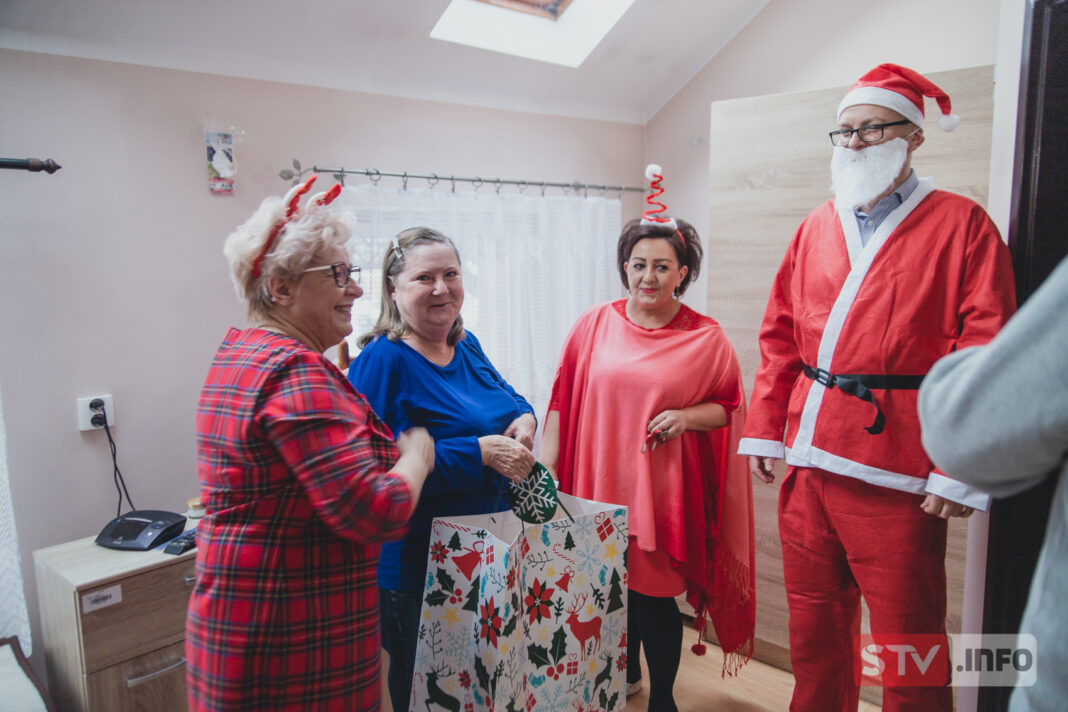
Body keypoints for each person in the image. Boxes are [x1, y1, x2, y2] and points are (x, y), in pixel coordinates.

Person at [739, 64, 1017, 711]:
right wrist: (764, 428)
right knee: (814, 631)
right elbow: (779, 334)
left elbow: (985, 351)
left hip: (899, 475)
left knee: (907, 644)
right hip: (808, 462)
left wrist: (960, 465)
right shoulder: (816, 225)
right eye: (845, 132)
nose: (855, 143)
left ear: (913, 135)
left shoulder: (962, 224)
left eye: (871, 128)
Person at [186, 177, 435, 711]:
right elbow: (374, 512)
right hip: (290, 641)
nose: (357, 289)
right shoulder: (295, 373)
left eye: (354, 273)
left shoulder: (241, 354)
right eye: (339, 274)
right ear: (280, 287)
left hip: (242, 621)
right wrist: (414, 458)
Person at [541, 165, 755, 712]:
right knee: (608, 593)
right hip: (595, 482)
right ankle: (623, 675)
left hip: (659, 491)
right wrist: (547, 481)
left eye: (662, 267)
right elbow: (562, 401)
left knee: (654, 597)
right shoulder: (593, 324)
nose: (649, 277)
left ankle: (663, 699)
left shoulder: (707, 338)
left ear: (683, 272)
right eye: (639, 265)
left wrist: (685, 417)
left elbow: (727, 408)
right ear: (625, 268)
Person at [347, 226, 537, 711]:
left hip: (486, 551)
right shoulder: (381, 361)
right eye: (424, 277)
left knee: (481, 686)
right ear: (392, 288)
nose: (441, 288)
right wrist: (480, 453)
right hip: (419, 566)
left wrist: (525, 417)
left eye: (450, 274)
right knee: (430, 696)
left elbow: (507, 398)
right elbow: (376, 465)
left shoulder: (465, 344)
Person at [919, 256, 1068, 712]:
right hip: (815, 455)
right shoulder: (815, 230)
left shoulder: (962, 226)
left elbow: (968, 425)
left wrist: (950, 476)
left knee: (907, 630)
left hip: (913, 472)